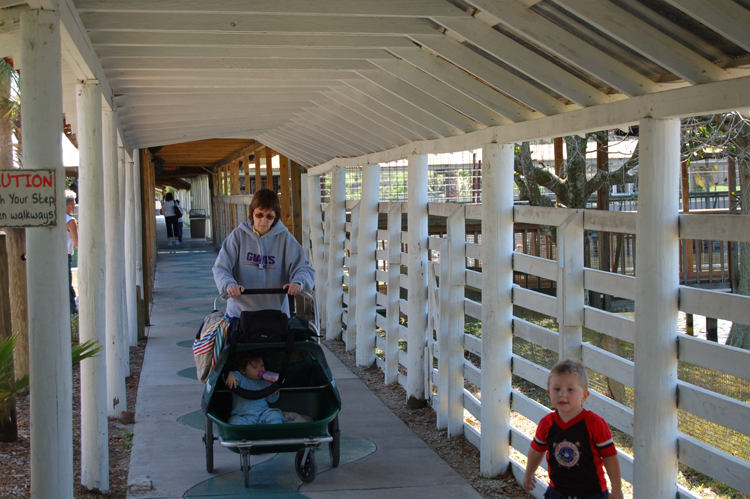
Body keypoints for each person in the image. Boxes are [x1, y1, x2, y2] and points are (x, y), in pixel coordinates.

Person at [523, 359, 622, 499]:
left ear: (584, 396)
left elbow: (610, 457)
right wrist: (529, 473)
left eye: (570, 389)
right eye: (557, 389)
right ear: (549, 392)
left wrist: (617, 489)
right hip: (557, 491)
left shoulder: (595, 423)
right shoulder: (547, 423)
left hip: (592, 493)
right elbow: (536, 450)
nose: (563, 394)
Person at [212, 188, 314, 318]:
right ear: (252, 213)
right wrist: (229, 284)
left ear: (275, 217)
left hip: (276, 315)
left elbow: (303, 268)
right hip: (239, 314)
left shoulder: (285, 239)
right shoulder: (237, 236)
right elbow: (221, 267)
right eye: (259, 215)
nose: (263, 221)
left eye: (269, 216)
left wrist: (298, 282)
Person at [225, 351, 284, 425]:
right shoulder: (239, 377)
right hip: (243, 416)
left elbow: (272, 400)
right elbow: (227, 380)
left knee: (275, 415)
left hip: (262, 413)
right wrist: (230, 375)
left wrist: (274, 388)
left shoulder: (264, 382)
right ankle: (244, 435)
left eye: (262, 365)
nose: (260, 369)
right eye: (255, 367)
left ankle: (274, 430)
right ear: (243, 370)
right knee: (234, 421)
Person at [65, 190, 79, 316]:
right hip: (64, 257)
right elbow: (78, 242)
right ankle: (72, 313)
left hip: (52, 256)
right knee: (68, 289)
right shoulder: (70, 221)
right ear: (70, 204)